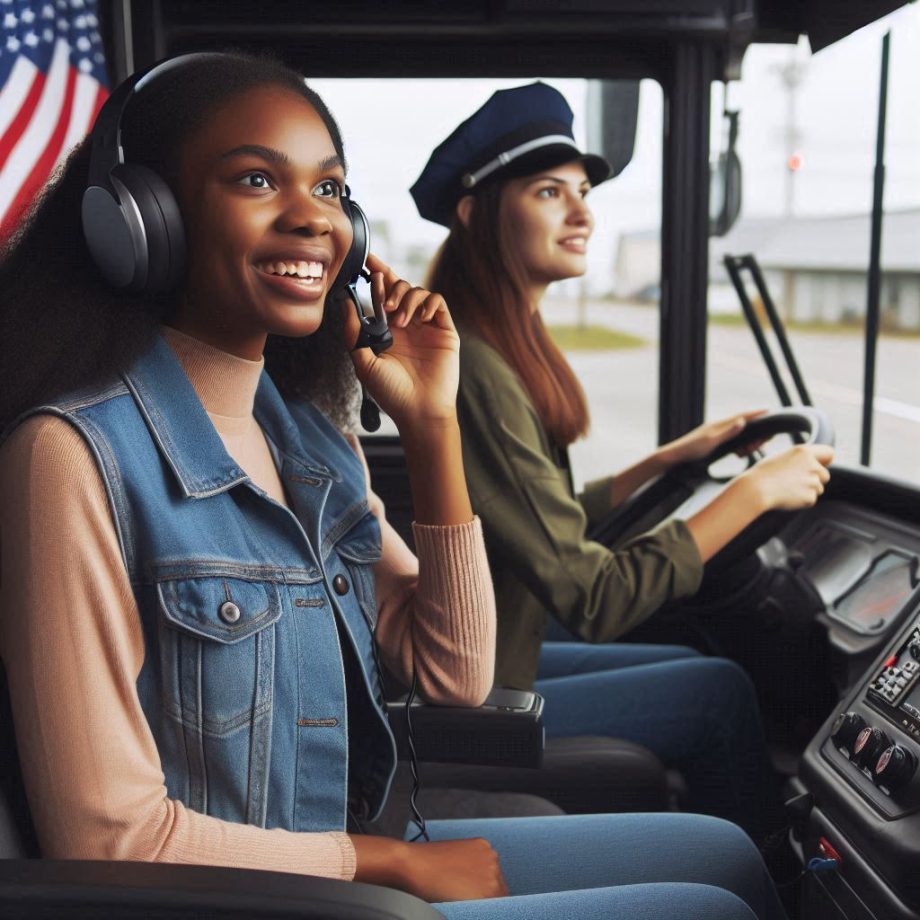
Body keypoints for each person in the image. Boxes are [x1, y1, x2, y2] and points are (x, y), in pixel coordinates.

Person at [0, 52, 787, 920]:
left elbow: (454, 675)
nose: (312, 218)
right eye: (259, 179)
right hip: (236, 899)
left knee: (724, 854)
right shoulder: (70, 456)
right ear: (145, 222)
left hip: (339, 864)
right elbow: (111, 842)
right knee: (708, 906)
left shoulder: (303, 435)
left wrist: (433, 425)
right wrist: (389, 866)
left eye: (332, 191)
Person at [412, 81, 834, 840]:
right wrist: (752, 495)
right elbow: (593, 596)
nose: (583, 214)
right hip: (478, 694)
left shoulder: (498, 349)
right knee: (717, 692)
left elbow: (537, 514)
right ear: (476, 213)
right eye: (550, 192)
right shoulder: (475, 368)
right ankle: (772, 876)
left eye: (583, 192)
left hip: (504, 651)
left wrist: (667, 462)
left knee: (698, 662)